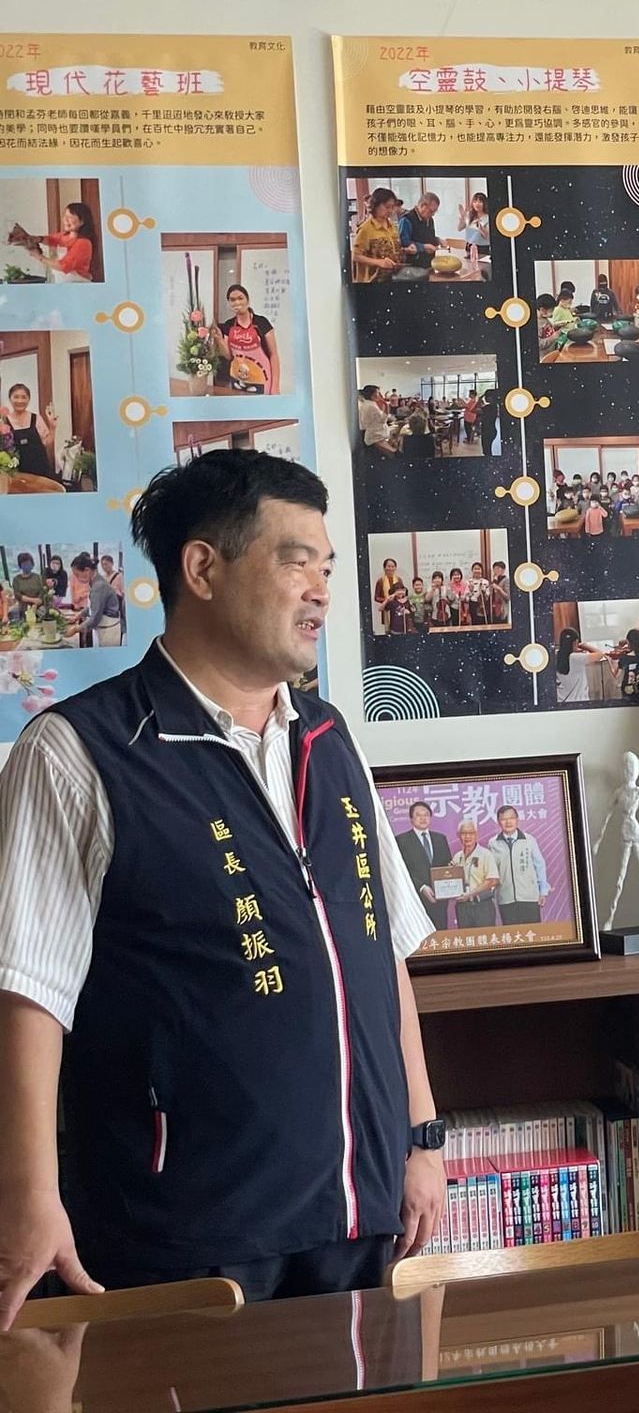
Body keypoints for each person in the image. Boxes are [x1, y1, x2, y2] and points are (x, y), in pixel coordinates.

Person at [0, 451, 444, 1324]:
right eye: (295, 561)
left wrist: (421, 1138)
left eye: (327, 567)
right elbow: (27, 993)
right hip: (185, 1236)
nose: (321, 591)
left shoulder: (329, 738)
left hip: (359, 1219)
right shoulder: (80, 751)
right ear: (202, 569)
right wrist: (27, 1194)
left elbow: (380, 948)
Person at [213, 284, 278, 395]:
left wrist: (275, 386)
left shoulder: (262, 322)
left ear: (247, 301)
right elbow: (228, 355)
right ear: (229, 303)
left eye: (240, 298)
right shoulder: (229, 325)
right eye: (232, 300)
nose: (237, 302)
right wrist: (219, 339)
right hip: (238, 380)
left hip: (261, 379)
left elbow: (274, 355)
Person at [395, 803, 451, 931]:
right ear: (411, 819)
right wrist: (421, 887)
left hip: (439, 900)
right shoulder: (401, 840)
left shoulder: (440, 838)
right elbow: (402, 870)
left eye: (426, 815)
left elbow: (447, 864)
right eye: (418, 815)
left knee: (441, 937)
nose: (423, 818)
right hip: (416, 900)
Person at [489, 807, 549, 926]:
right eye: (503, 819)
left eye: (511, 818)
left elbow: (539, 865)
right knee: (512, 934)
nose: (508, 822)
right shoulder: (493, 843)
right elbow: (492, 871)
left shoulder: (529, 840)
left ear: (517, 819)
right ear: (498, 822)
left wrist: (543, 891)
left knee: (533, 933)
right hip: (506, 899)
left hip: (529, 897)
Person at [13, 201, 97, 283]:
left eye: (70, 217)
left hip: (78, 284)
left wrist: (39, 257)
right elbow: (51, 239)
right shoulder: (63, 236)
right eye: (65, 216)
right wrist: (36, 239)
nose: (65, 220)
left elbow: (63, 266)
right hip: (63, 283)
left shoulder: (84, 243)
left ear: (82, 221)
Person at [3, 382, 59, 482]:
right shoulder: (4, 422)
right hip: (16, 473)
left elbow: (46, 443)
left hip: (40, 470)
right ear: (10, 398)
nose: (20, 401)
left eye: (24, 397)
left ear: (29, 399)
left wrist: (52, 427)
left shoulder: (36, 418)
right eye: (16, 397)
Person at [448, 820, 499, 929]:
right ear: (458, 835)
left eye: (471, 833)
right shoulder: (457, 857)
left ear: (476, 835)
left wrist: (470, 894)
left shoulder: (486, 854)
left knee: (485, 938)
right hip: (463, 908)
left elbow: (492, 881)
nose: (467, 836)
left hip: (482, 906)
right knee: (466, 938)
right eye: (464, 833)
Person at [350, 187, 404, 282]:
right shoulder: (366, 229)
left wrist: (404, 250)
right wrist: (379, 262)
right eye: (387, 207)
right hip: (373, 280)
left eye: (392, 207)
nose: (390, 211)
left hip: (392, 277)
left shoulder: (392, 226)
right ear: (375, 205)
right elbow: (355, 256)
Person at [396, 192, 441, 268]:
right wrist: (423, 247)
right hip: (413, 266)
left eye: (435, 211)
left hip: (429, 263)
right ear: (423, 206)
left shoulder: (429, 220)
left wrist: (437, 240)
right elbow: (403, 242)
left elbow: (427, 237)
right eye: (431, 211)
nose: (433, 214)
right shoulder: (406, 219)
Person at [356, 386, 395, 457]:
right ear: (372, 394)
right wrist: (386, 406)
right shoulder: (371, 406)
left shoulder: (368, 404)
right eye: (378, 393)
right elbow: (383, 420)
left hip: (375, 434)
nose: (379, 395)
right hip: (376, 436)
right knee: (393, 454)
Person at [372, 558, 405, 636]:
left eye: (393, 566)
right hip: (387, 609)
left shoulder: (399, 579)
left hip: (397, 608)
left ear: (395, 568)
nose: (391, 568)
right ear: (384, 568)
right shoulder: (380, 581)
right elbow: (376, 597)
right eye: (388, 566)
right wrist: (387, 599)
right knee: (388, 632)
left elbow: (403, 593)